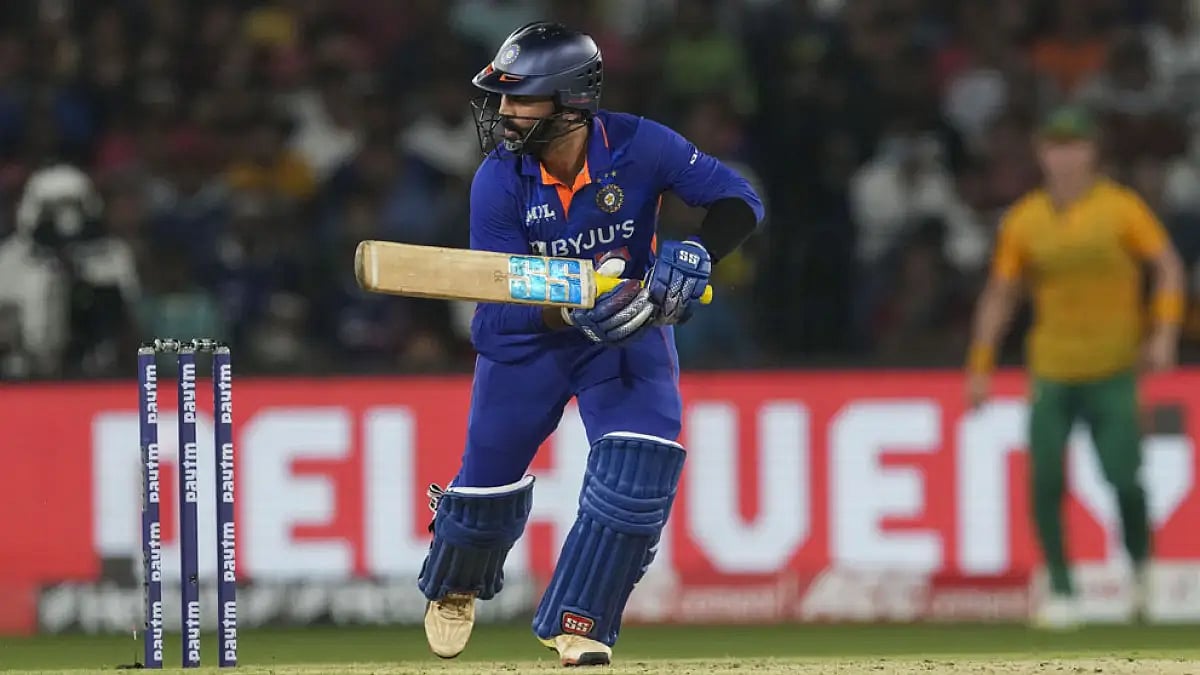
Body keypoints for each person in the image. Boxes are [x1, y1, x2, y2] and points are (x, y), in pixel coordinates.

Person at [415, 22, 764, 666]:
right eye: (502, 97)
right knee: (485, 493)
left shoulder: (641, 144)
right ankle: (455, 583)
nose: (504, 112)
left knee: (641, 475)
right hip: (527, 342)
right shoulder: (498, 180)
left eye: (521, 98)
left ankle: (581, 622)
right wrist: (572, 312)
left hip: (628, 335)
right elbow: (502, 305)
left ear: (570, 102)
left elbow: (739, 201)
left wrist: (695, 251)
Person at [965, 105, 1185, 629]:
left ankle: (1141, 570)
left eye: (1075, 146)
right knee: (1043, 477)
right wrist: (980, 363)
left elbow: (1167, 266)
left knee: (1123, 479)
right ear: (1041, 153)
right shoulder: (1026, 219)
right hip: (1053, 369)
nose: (1065, 158)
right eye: (1055, 146)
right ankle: (1062, 590)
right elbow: (1002, 292)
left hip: (1113, 368)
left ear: (1093, 152)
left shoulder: (1120, 209)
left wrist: (1164, 332)